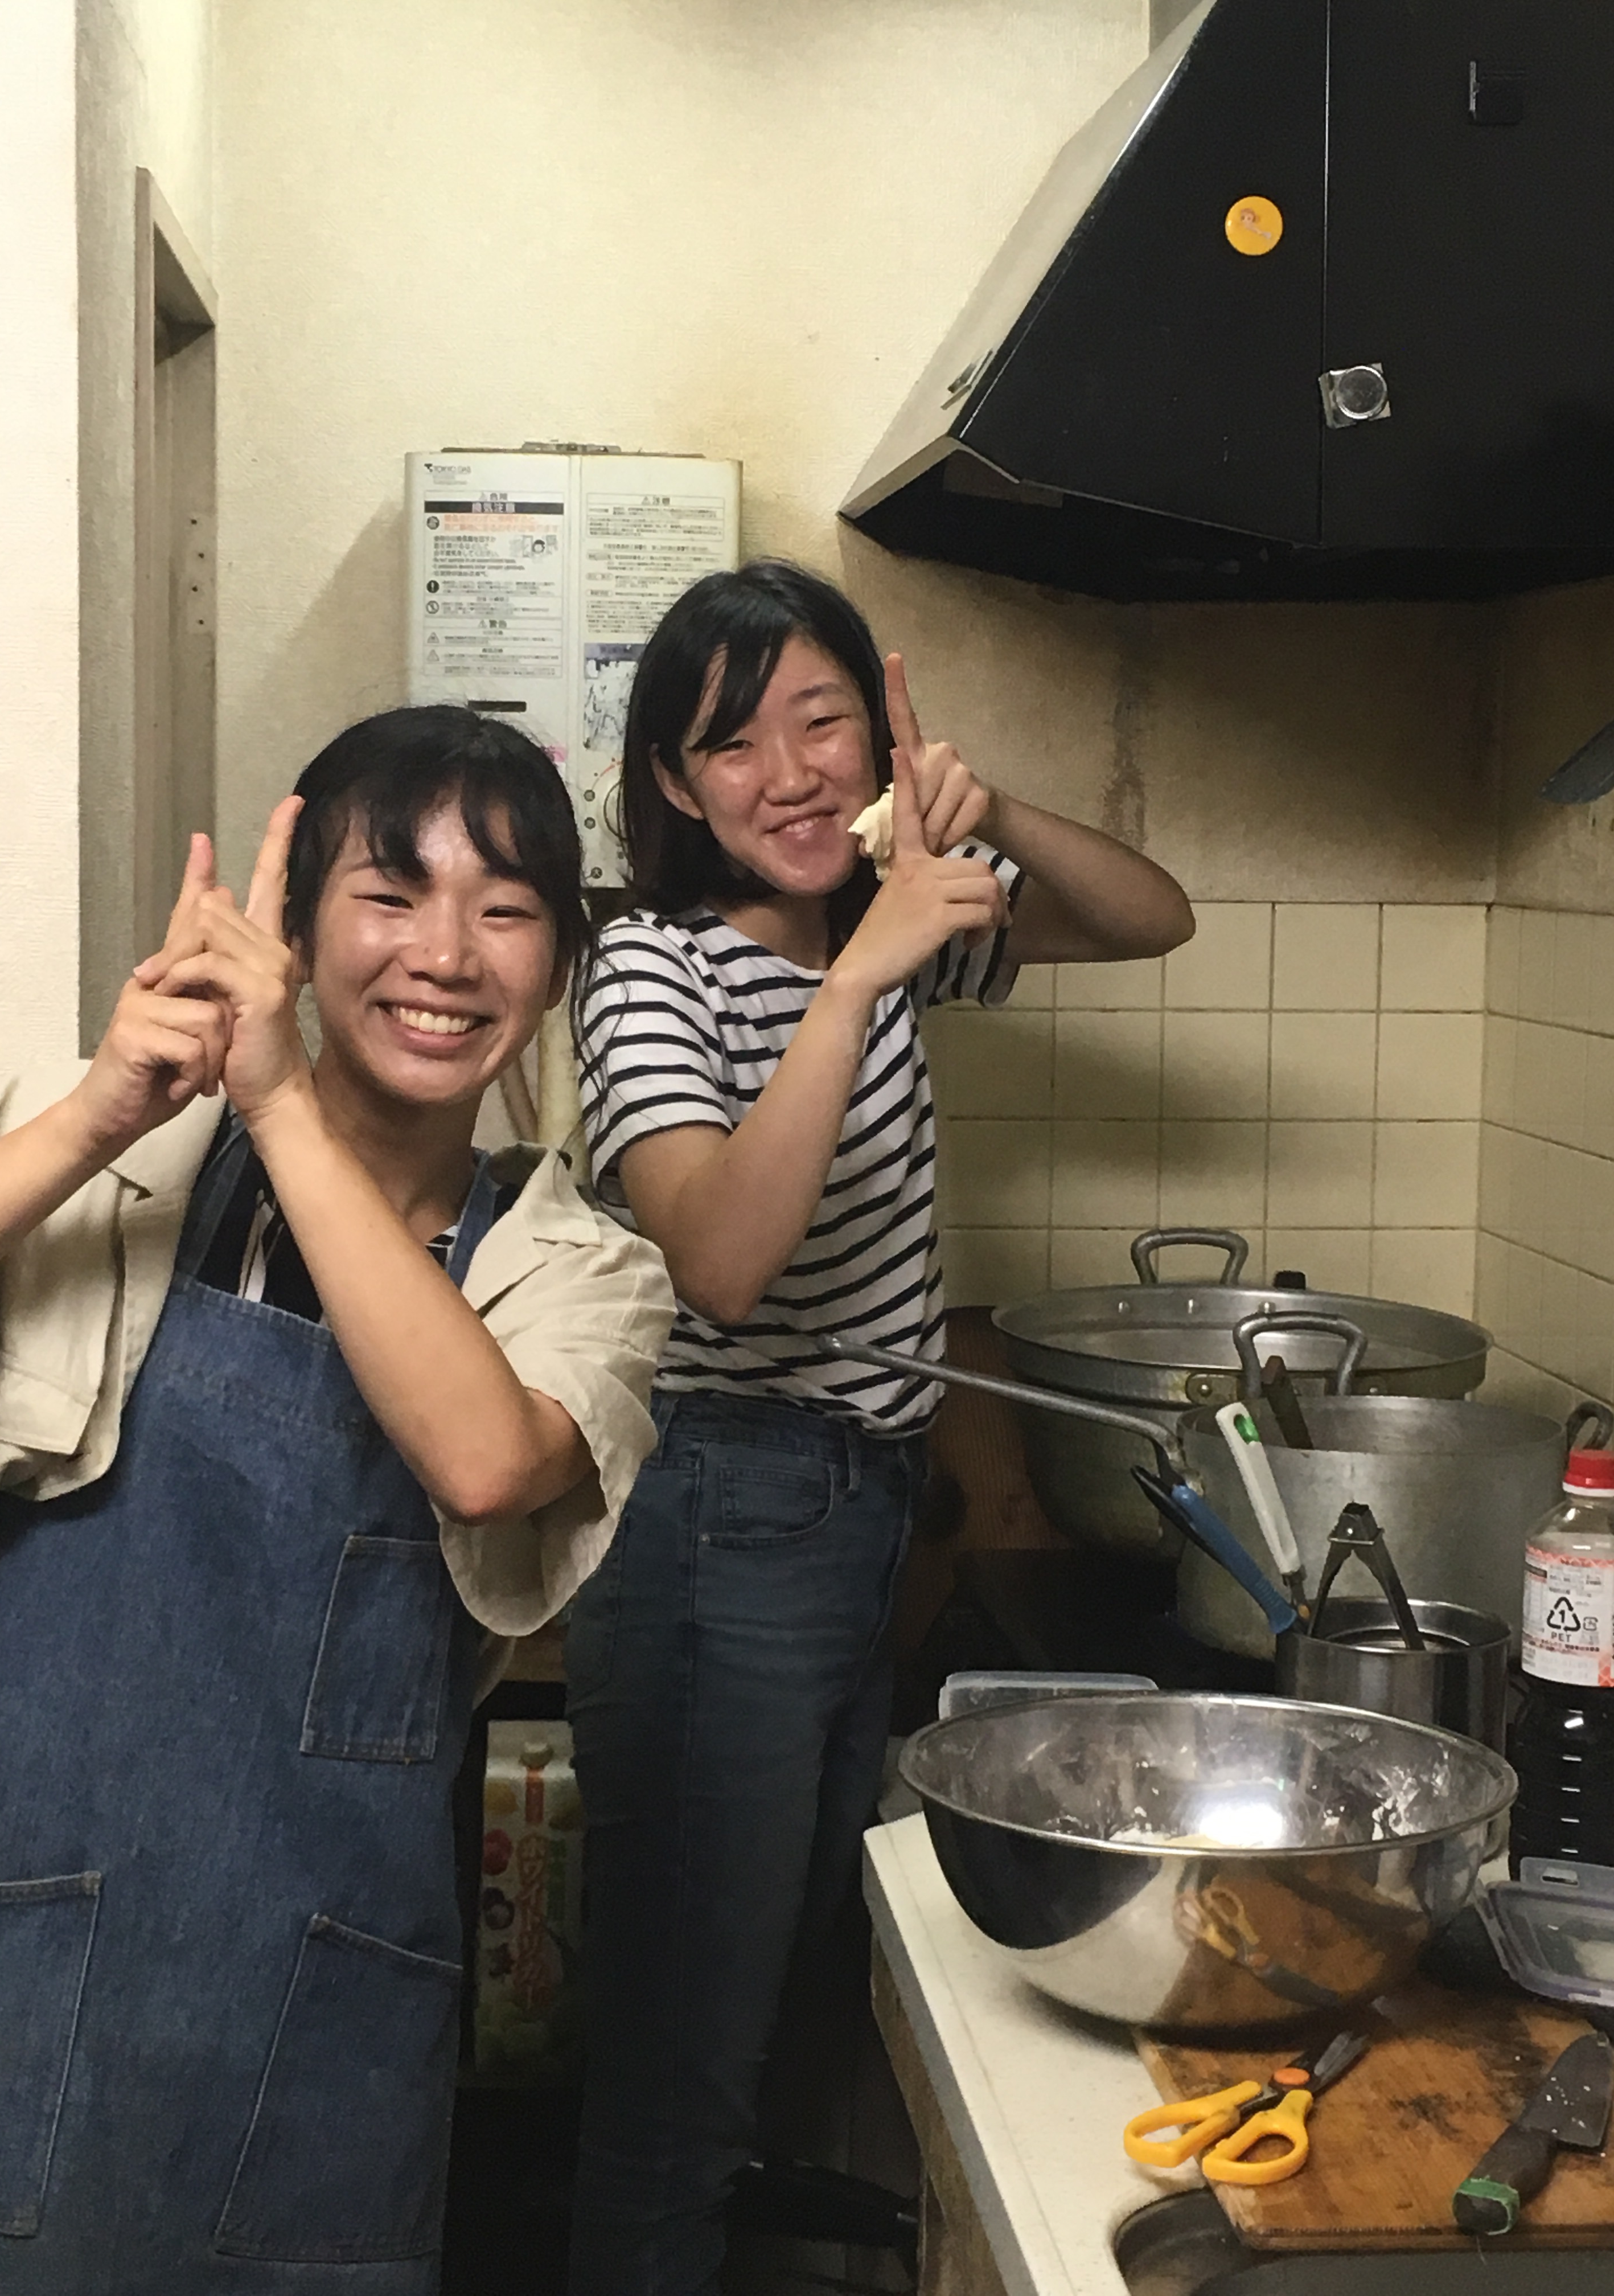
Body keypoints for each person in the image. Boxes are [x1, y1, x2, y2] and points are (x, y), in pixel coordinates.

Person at [0, 706, 672, 2294]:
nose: (446, 954)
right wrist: (100, 1114)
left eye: (507, 910)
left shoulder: (579, 1269)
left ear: (556, 969)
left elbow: (482, 1459)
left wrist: (279, 1104)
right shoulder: (123, 1166)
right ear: (299, 934)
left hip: (319, 2008)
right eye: (391, 894)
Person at [568, 560, 1194, 2295]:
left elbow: (1151, 917)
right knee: (679, 2069)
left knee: (776, 2012)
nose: (787, 774)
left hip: (856, 1513)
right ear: (676, 782)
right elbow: (723, 1265)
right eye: (733, 743)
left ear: (878, 736)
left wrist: (981, 819)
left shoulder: (891, 923)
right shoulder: (650, 971)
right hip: (715, 1522)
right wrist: (864, 975)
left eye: (822, 722)